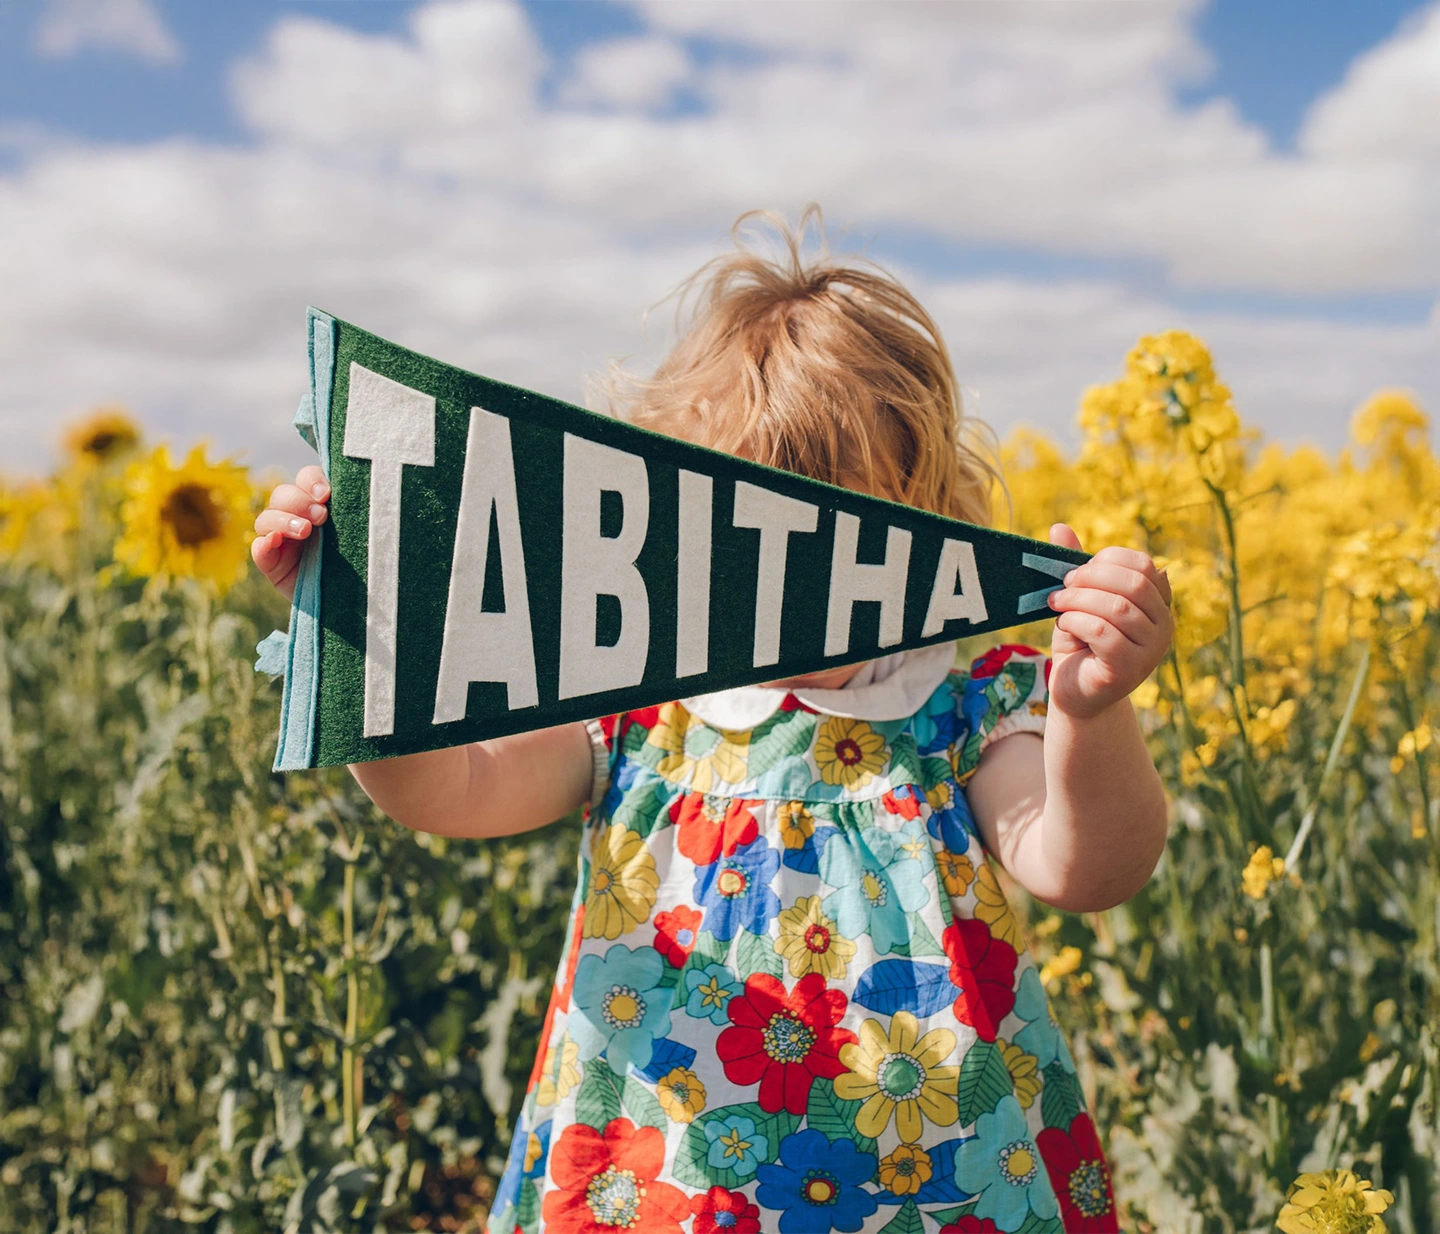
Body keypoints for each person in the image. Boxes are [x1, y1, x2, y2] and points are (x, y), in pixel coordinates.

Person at [252, 210, 1171, 1233]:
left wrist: (1092, 713)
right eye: (742, 528)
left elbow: (1085, 868)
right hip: (668, 1175)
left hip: (934, 1175)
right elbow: (454, 792)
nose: (784, 579)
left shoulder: (959, 697)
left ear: (917, 515)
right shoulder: (635, 698)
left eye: (833, 530)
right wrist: (360, 634)